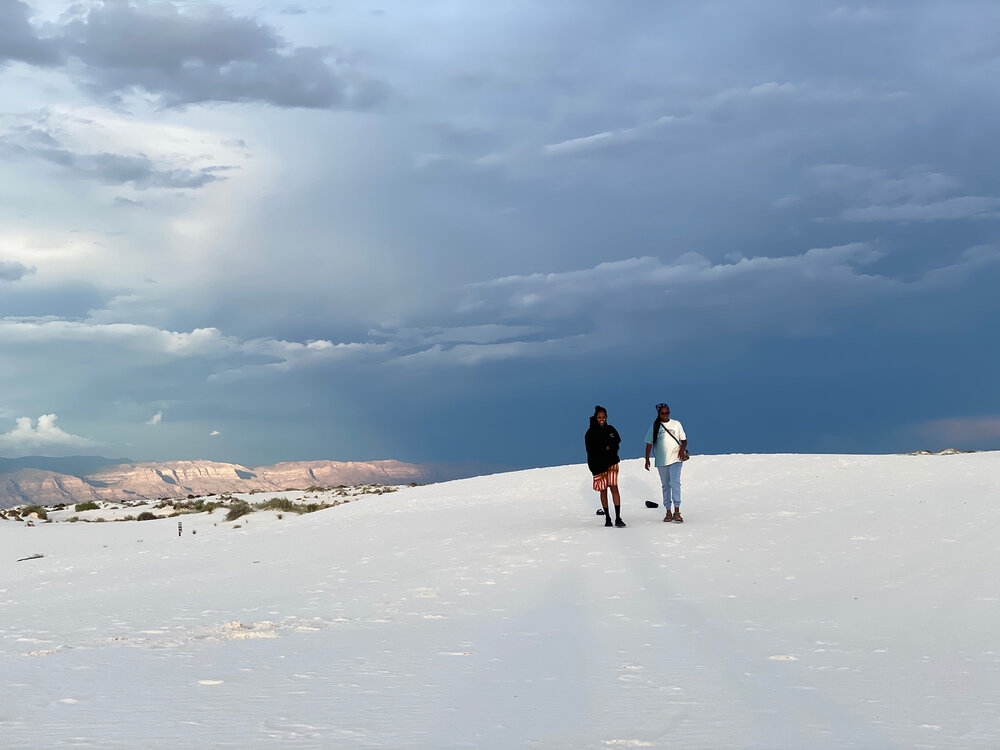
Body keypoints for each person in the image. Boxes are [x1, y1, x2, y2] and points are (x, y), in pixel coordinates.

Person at [644, 403, 688, 522]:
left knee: (675, 483)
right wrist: (647, 459)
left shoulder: (676, 424)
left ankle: (677, 511)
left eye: (667, 413)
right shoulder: (655, 426)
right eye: (662, 413)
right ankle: (668, 511)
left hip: (676, 459)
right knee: (665, 485)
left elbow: (684, 440)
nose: (665, 415)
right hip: (662, 460)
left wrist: (682, 450)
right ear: (659, 414)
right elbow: (649, 443)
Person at [585, 405, 625, 527]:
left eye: (603, 417)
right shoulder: (590, 433)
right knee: (603, 491)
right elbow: (590, 452)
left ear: (606, 417)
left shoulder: (611, 430)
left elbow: (617, 443)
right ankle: (607, 517)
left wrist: (610, 448)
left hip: (612, 463)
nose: (601, 419)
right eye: (599, 417)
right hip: (598, 466)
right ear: (596, 418)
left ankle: (618, 517)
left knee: (614, 488)